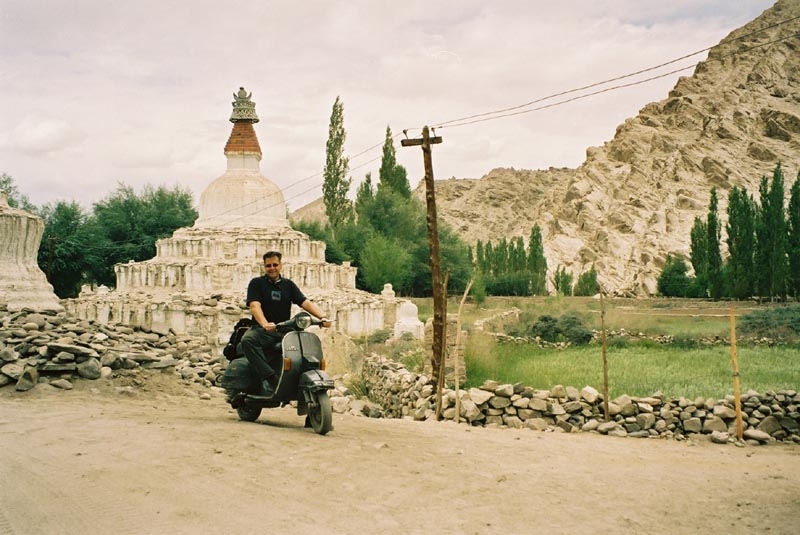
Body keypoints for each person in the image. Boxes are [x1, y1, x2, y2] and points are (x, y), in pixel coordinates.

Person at [240, 250, 331, 397]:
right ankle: (269, 378)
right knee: (248, 340)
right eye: (268, 265)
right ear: (264, 267)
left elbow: (304, 302)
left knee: (302, 349)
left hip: (284, 330)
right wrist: (264, 324)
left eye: (275, 264)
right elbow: (254, 306)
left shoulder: (288, 285)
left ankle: (299, 380)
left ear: (281, 265)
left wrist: (323, 317)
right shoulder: (257, 283)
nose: (272, 268)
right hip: (263, 331)